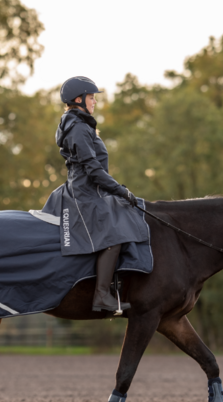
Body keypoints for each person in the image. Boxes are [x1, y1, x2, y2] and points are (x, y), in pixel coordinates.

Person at [42, 76, 149, 312]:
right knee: (114, 235)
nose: (94, 102)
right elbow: (93, 169)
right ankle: (102, 295)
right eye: (91, 98)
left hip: (90, 189)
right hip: (85, 192)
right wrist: (120, 190)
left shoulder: (79, 124)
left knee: (123, 216)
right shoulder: (78, 128)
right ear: (78, 100)